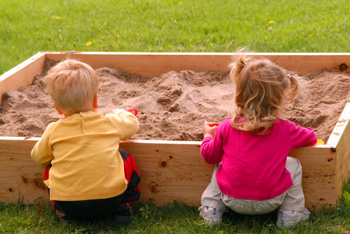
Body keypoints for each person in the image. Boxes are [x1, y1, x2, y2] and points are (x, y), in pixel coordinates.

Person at [199, 51, 317, 229]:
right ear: (279, 98)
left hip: (231, 199)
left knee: (220, 162)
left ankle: (211, 209)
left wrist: (208, 136)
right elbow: (312, 137)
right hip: (270, 200)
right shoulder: (285, 128)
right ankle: (291, 215)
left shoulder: (226, 126)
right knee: (294, 164)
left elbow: (209, 156)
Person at [31, 59, 141, 223]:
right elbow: (133, 124)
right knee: (126, 157)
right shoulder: (109, 122)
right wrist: (122, 112)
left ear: (57, 108)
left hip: (68, 204)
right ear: (96, 100)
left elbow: (38, 157)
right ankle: (124, 206)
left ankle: (62, 213)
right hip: (110, 200)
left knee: (50, 163)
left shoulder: (54, 130)